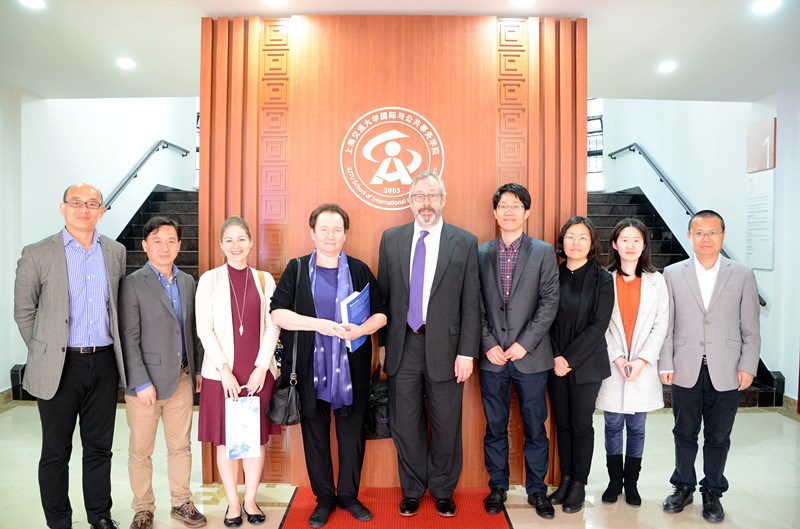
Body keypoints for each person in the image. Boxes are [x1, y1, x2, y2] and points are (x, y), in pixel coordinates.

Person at [13, 183, 127, 529]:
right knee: (56, 451)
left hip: (104, 363)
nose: (84, 209)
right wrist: (46, 352)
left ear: (102, 211)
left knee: (99, 448)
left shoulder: (115, 251)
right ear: (62, 207)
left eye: (92, 203)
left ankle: (100, 515)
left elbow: (117, 306)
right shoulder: (37, 253)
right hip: (59, 366)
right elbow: (24, 312)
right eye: (76, 202)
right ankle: (59, 521)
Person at [270, 204, 388, 529]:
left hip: (352, 369)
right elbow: (277, 313)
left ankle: (349, 496)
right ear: (312, 233)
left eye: (337, 230)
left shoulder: (360, 270)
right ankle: (324, 500)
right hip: (309, 370)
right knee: (316, 439)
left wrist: (361, 330)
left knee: (352, 438)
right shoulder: (296, 269)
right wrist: (317, 324)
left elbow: (381, 313)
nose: (330, 236)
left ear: (345, 234)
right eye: (323, 229)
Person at [377, 171, 481, 518]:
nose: (426, 203)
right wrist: (382, 345)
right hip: (403, 345)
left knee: (446, 423)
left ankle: (442, 490)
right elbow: (384, 298)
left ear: (443, 201)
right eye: (419, 196)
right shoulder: (391, 239)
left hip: (447, 350)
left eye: (432, 196)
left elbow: (472, 302)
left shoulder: (464, 242)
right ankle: (411, 490)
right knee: (405, 423)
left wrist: (467, 352)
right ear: (410, 201)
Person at [659, 210, 760, 523]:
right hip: (684, 365)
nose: (706, 238)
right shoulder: (673, 273)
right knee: (684, 432)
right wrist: (665, 361)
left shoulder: (742, 274)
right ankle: (683, 486)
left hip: (727, 368)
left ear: (723, 236)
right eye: (699, 233)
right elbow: (667, 324)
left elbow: (751, 327)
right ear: (690, 236)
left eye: (712, 232)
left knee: (718, 436)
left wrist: (748, 365)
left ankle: (713, 490)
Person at [477, 183, 559, 519]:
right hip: (492, 358)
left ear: (527, 212)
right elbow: (473, 303)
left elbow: (549, 302)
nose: (509, 211)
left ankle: (537, 489)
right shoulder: (479, 253)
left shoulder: (543, 251)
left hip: (532, 357)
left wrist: (524, 343)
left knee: (535, 426)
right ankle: (497, 486)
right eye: (503, 206)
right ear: (495, 213)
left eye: (516, 205)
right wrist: (488, 344)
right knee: (495, 426)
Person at [119, 216, 207, 529]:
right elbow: (128, 336)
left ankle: (181, 503)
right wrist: (140, 382)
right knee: (141, 451)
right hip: (145, 384)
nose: (164, 247)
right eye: (157, 241)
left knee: (180, 446)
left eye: (171, 241)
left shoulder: (188, 282)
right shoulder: (132, 283)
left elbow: (193, 329)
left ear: (179, 245)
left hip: (181, 378)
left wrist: (197, 368)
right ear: (145, 246)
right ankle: (143, 508)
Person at [196, 216, 281, 528]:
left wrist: (261, 366)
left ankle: (250, 499)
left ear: (251, 243)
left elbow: (274, 324)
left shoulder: (264, 279)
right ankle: (233, 502)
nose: (236, 246)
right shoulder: (209, 280)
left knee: (254, 440)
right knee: (227, 442)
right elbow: (204, 329)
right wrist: (224, 370)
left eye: (241, 239)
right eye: (229, 240)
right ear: (221, 245)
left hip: (258, 374)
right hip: (222, 377)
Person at [595, 218, 669, 507]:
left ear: (644, 245)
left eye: (636, 240)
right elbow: (599, 324)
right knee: (612, 425)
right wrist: (617, 357)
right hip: (612, 363)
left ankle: (632, 483)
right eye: (624, 240)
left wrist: (641, 361)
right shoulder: (603, 278)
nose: (630, 245)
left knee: (637, 427)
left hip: (642, 366)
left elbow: (661, 324)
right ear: (614, 244)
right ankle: (615, 482)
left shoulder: (656, 281)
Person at [547, 215, 614, 514]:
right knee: (562, 424)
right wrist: (555, 356)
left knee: (581, 424)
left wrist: (569, 359)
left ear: (592, 243)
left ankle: (579, 484)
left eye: (582, 237)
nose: (575, 242)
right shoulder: (551, 273)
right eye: (570, 236)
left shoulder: (602, 279)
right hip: (554, 362)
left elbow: (598, 325)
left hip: (586, 364)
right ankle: (565, 480)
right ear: (562, 241)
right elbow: (542, 317)